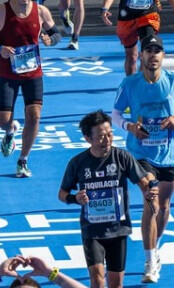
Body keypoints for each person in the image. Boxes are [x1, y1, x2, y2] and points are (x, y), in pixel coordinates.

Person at [111, 39, 174, 282]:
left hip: (169, 154)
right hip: (140, 154)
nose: (153, 55)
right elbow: (115, 114)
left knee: (164, 206)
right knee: (152, 202)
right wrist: (129, 126)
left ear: (163, 55)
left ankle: (155, 247)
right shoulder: (130, 83)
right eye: (148, 51)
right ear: (141, 55)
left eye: (157, 51)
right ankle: (150, 261)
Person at [58, 109, 158, 288]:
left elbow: (143, 183)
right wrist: (75, 198)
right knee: (97, 277)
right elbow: (62, 194)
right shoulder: (77, 163)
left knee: (116, 283)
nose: (107, 140)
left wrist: (150, 192)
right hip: (92, 230)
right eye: (101, 136)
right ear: (88, 138)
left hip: (118, 229)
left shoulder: (122, 157)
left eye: (110, 134)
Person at [0, 0, 59, 178]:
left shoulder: (41, 11)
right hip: (8, 73)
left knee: (34, 116)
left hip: (33, 72)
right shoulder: (1, 10)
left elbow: (56, 33)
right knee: (3, 121)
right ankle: (9, 131)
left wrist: (51, 40)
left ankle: (23, 160)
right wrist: (0, 48)